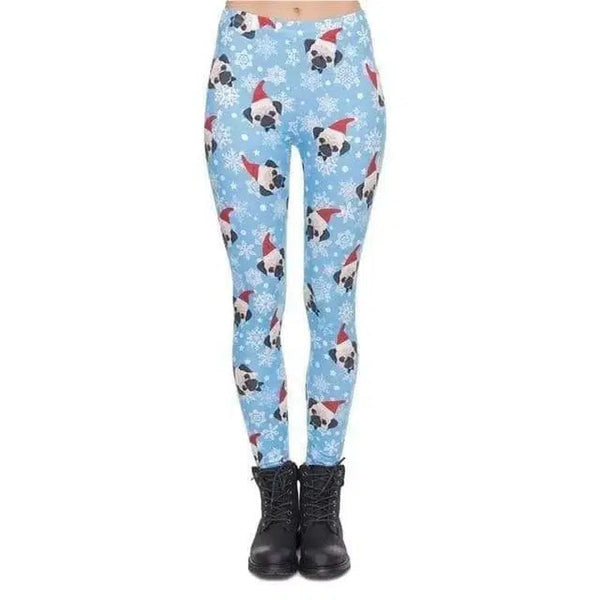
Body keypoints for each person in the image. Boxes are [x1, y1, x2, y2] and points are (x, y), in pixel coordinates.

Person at [204, 0, 386, 578]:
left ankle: (323, 500)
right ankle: (277, 500)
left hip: (342, 58)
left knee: (333, 298)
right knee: (254, 301)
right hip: (245, 56)